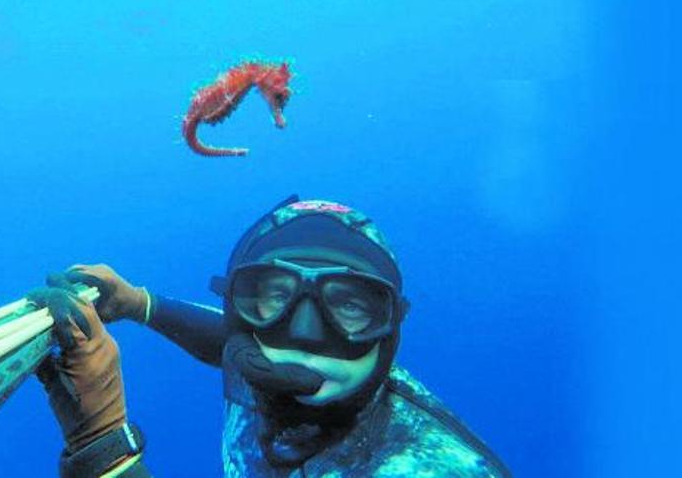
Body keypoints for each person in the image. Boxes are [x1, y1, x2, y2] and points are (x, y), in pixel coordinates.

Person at [29, 196, 511, 477]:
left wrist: (103, 444)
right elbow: (226, 339)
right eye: (271, 297)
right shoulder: (259, 353)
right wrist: (140, 304)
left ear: (391, 327)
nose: (303, 334)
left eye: (348, 305)